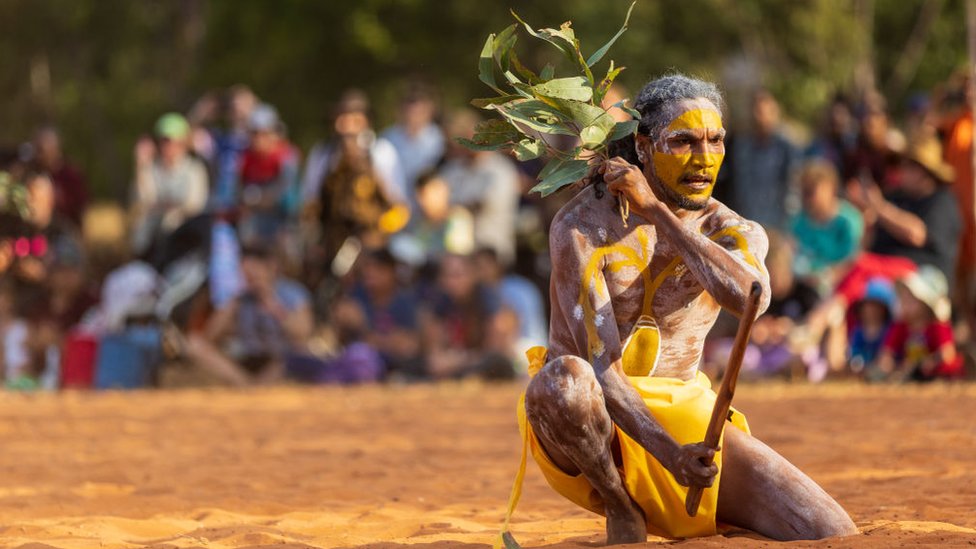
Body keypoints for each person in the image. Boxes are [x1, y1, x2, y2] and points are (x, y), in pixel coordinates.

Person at [515, 74, 856, 543]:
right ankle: (621, 506)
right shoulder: (580, 226)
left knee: (829, 531)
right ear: (642, 146)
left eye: (716, 141)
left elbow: (751, 300)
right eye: (683, 141)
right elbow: (600, 371)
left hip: (688, 420)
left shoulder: (734, 230)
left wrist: (658, 213)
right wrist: (670, 455)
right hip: (595, 424)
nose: (703, 159)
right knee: (563, 381)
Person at [186, 244, 313, 385]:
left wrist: (271, 304)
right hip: (248, 359)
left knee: (299, 353)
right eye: (247, 275)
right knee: (194, 345)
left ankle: (254, 388)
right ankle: (247, 386)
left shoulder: (293, 293)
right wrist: (232, 303)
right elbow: (209, 337)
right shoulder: (240, 298)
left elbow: (303, 333)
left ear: (271, 267)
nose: (251, 278)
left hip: (279, 361)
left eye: (255, 273)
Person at [439, 109, 520, 265]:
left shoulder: (500, 170)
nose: (456, 147)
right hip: (458, 260)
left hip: (493, 257)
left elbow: (487, 204)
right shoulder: (452, 169)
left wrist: (452, 209)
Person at [420, 253, 516, 380]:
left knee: (496, 363)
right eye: (446, 276)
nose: (451, 282)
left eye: (457, 275)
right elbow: (434, 350)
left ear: (472, 276)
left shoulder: (488, 298)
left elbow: (495, 349)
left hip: (480, 361)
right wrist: (442, 358)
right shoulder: (440, 300)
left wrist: (459, 360)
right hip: (454, 363)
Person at [130, 113, 210, 258]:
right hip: (153, 233)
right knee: (141, 229)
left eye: (172, 141)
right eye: (164, 141)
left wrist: (169, 210)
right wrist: (141, 166)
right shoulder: (150, 169)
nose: (168, 146)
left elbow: (195, 205)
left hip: (184, 234)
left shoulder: (194, 169)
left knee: (170, 222)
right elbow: (144, 200)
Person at [720, 89, 799, 230]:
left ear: (775, 113)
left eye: (763, 112)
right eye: (755, 111)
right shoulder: (740, 145)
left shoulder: (786, 146)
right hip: (746, 222)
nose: (758, 117)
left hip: (778, 223)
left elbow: (793, 187)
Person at [876, 266, 962, 381]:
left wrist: (927, 362)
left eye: (911, 298)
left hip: (936, 375)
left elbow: (947, 355)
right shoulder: (900, 327)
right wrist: (888, 366)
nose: (904, 302)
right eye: (903, 297)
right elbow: (887, 354)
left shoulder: (938, 327)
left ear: (925, 304)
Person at [790, 159, 863, 290]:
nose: (806, 198)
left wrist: (826, 277)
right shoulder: (798, 222)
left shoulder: (848, 221)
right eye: (804, 191)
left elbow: (853, 261)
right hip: (805, 287)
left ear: (830, 188)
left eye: (811, 191)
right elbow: (793, 256)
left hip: (842, 288)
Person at [236, 104, 301, 245]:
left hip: (282, 221)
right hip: (256, 221)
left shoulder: (286, 157)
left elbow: (288, 198)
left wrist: (259, 198)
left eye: (263, 133)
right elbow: (239, 191)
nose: (258, 139)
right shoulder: (246, 158)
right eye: (254, 134)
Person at [380, 82, 445, 200]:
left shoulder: (439, 137)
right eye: (411, 110)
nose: (415, 115)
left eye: (420, 110)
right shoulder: (387, 138)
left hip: (428, 205)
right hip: (395, 202)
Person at [28, 126, 89, 228]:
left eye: (41, 149)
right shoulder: (31, 174)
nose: (39, 155)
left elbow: (82, 207)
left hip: (64, 231)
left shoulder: (70, 175)